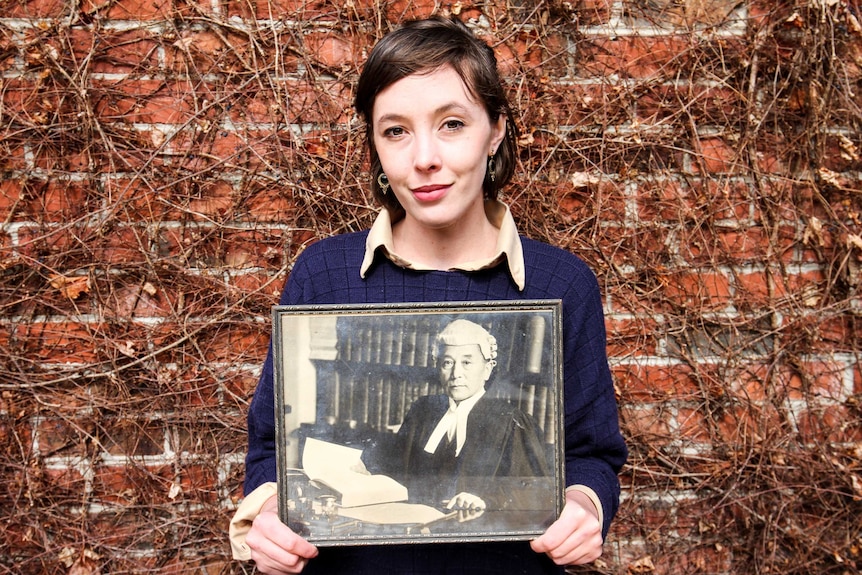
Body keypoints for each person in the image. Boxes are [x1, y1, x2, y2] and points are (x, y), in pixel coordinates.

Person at [229, 15, 627, 575]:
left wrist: (585, 508)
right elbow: (273, 449)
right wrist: (270, 512)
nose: (423, 159)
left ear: (495, 132)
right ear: (375, 146)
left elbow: (593, 456)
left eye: (452, 124)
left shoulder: (563, 284)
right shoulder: (323, 274)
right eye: (396, 131)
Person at [361, 318, 550, 513]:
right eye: (447, 363)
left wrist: (486, 501)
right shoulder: (423, 410)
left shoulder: (512, 422)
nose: (456, 373)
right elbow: (395, 467)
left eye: (467, 362)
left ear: (487, 369)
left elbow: (536, 493)